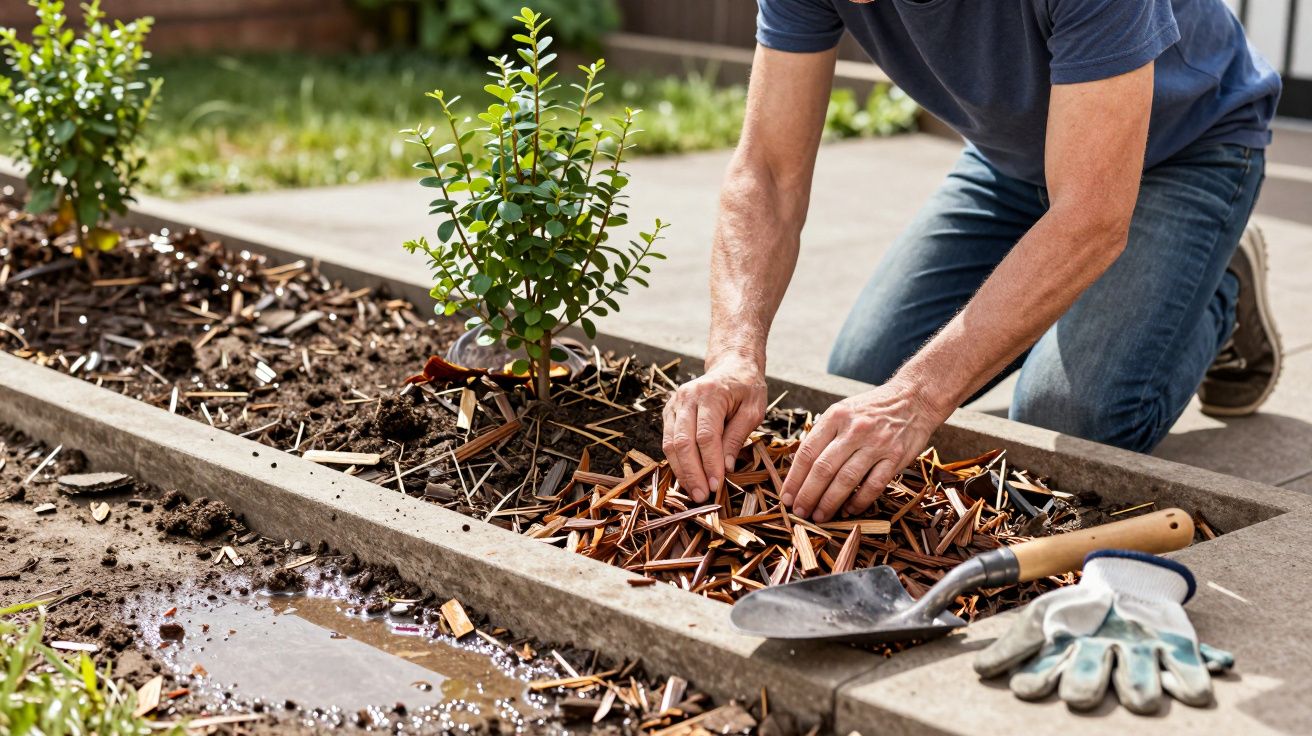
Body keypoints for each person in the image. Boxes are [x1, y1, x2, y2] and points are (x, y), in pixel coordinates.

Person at [662, 0, 1282, 523]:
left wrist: (917, 399)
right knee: (863, 377)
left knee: (1064, 420)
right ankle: (1173, 274)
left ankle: (1215, 279)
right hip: (1013, 160)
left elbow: (1090, 215)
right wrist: (733, 354)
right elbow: (767, 172)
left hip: (1184, 149)